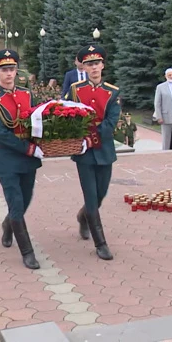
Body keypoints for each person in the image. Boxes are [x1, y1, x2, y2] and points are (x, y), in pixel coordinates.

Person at [0, 49, 44, 269]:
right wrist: (29, 149)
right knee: (16, 203)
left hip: (29, 161)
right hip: (8, 160)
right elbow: (1, 134)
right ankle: (27, 252)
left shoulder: (27, 95)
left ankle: (8, 225)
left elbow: (39, 120)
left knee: (25, 200)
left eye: (11, 69)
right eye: (4, 70)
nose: (9, 74)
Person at [69, 44, 120, 261]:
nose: (94, 67)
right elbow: (66, 113)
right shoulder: (75, 89)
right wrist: (81, 135)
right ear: (84, 67)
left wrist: (95, 135)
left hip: (104, 149)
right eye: (89, 64)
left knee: (100, 194)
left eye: (97, 63)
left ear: (103, 65)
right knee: (90, 196)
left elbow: (111, 120)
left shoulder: (112, 91)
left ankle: (83, 217)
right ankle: (101, 243)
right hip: (83, 152)